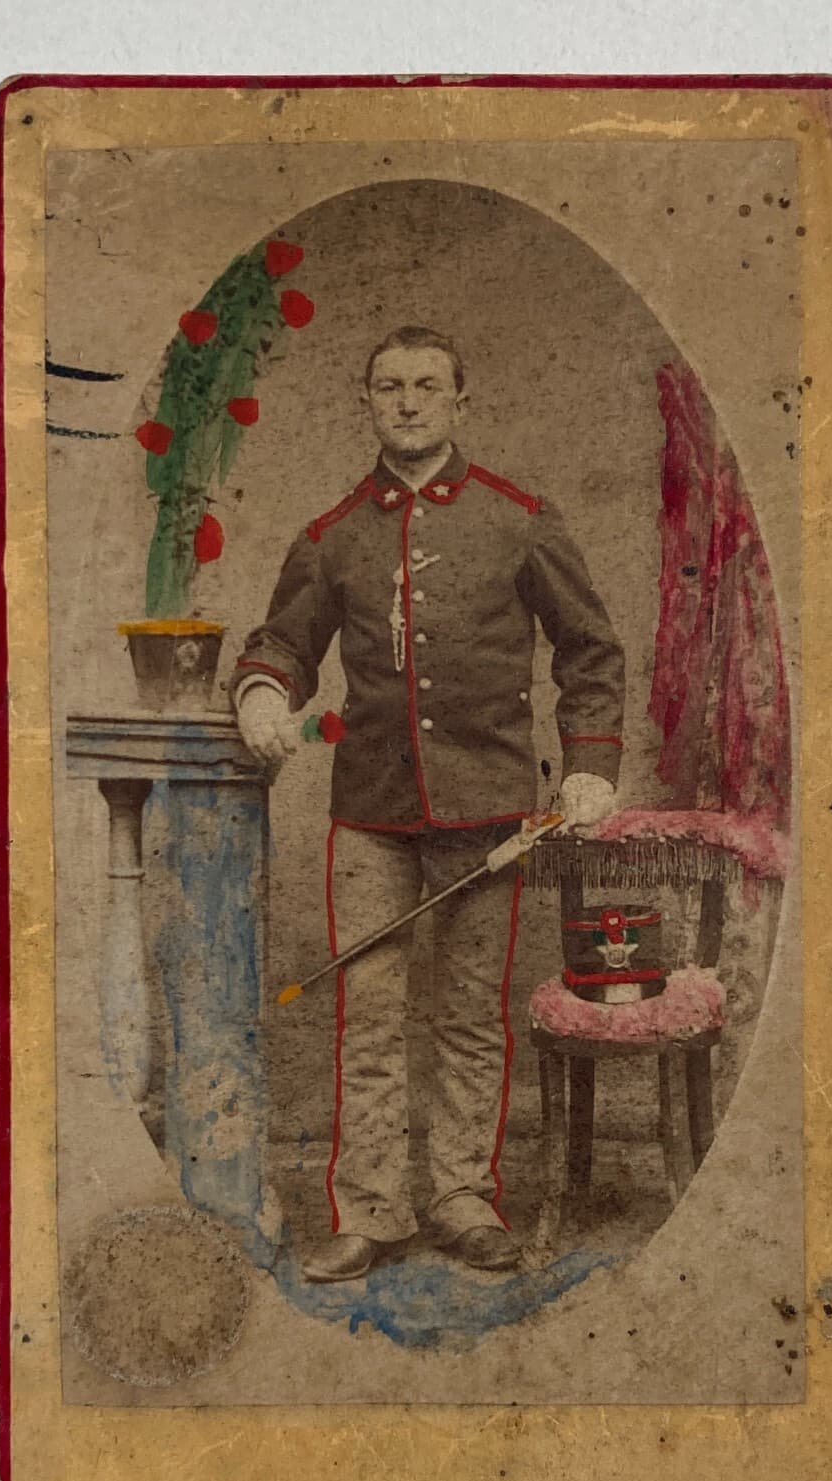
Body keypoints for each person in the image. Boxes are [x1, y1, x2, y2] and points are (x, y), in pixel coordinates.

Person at [231, 325, 625, 1282]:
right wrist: (263, 695)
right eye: (388, 387)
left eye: (425, 386)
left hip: (489, 808)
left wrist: (588, 764)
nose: (407, 403)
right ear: (366, 402)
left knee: (468, 1014)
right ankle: (370, 1211)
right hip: (370, 809)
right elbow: (283, 642)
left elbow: (589, 650)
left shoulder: (518, 519)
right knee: (367, 1014)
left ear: (459, 402)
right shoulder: (332, 535)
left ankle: (460, 1199)